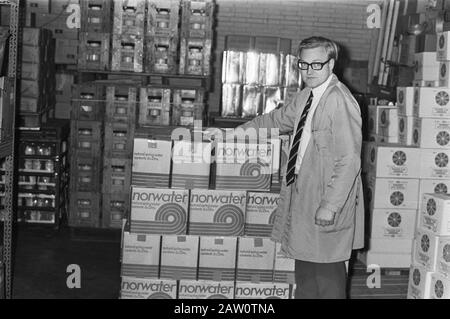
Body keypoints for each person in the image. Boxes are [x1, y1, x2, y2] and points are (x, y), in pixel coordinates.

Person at [238, 36, 365, 299]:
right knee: (306, 270)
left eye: (316, 64)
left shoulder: (338, 100)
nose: (309, 71)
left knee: (326, 275)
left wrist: (330, 206)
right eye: (303, 64)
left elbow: (349, 159)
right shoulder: (307, 95)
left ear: (331, 64)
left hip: (326, 195)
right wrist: (238, 132)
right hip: (303, 192)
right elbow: (277, 120)